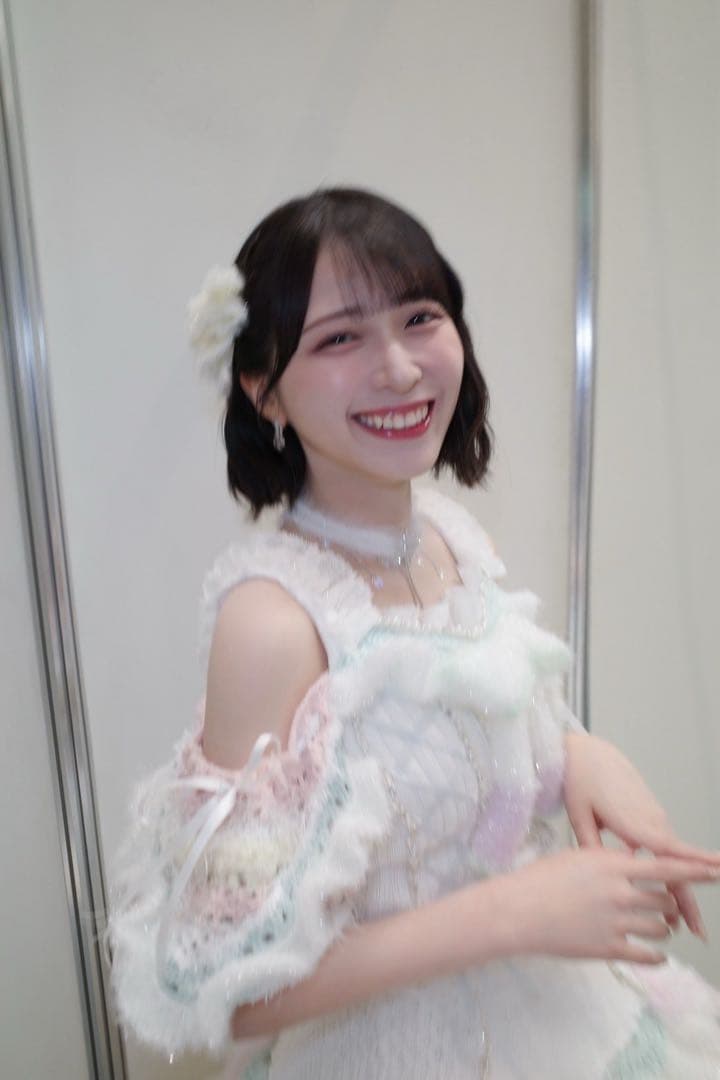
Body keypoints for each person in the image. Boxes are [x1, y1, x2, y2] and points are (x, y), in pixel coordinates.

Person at [107, 188, 720, 1078]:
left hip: (570, 1024)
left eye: (419, 318)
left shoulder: (448, 536)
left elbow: (462, 747)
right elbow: (228, 991)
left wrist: (580, 756)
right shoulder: (273, 621)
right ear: (263, 390)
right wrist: (515, 912)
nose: (398, 369)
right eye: (339, 339)